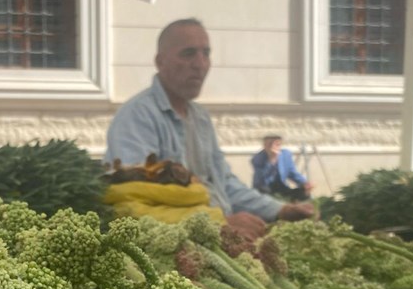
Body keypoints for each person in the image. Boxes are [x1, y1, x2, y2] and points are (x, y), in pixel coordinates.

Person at [105, 18, 314, 239]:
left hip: (218, 242)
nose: (200, 63)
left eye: (206, 53)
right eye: (188, 53)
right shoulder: (137, 116)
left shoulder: (200, 118)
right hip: (169, 251)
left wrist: (279, 209)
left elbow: (225, 183)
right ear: (160, 61)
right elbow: (134, 204)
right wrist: (219, 223)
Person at [251, 135, 313, 201]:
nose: (273, 147)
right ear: (265, 145)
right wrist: (272, 159)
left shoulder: (285, 154)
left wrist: (304, 183)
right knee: (267, 193)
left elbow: (292, 173)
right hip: (265, 189)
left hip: (281, 187)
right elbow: (263, 179)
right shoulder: (257, 158)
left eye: (277, 144)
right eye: (270, 144)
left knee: (303, 193)